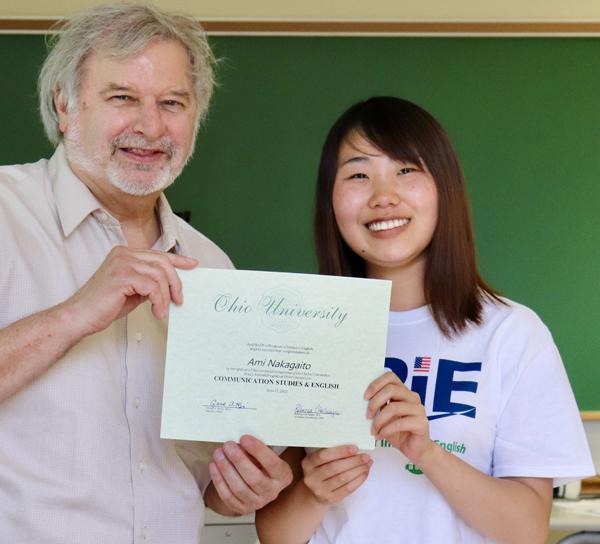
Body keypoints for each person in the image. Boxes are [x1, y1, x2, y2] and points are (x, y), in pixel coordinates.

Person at [0, 4, 291, 542]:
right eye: (123, 98)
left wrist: (238, 486)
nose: (151, 125)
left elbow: (202, 473)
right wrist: (71, 317)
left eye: (172, 103)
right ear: (65, 105)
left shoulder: (212, 266)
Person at [255, 96, 595, 543]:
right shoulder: (308, 332)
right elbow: (274, 535)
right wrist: (314, 494)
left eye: (406, 170)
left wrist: (426, 452)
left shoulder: (511, 334)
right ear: (330, 201)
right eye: (358, 174)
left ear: (443, 188)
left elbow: (526, 530)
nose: (383, 196)